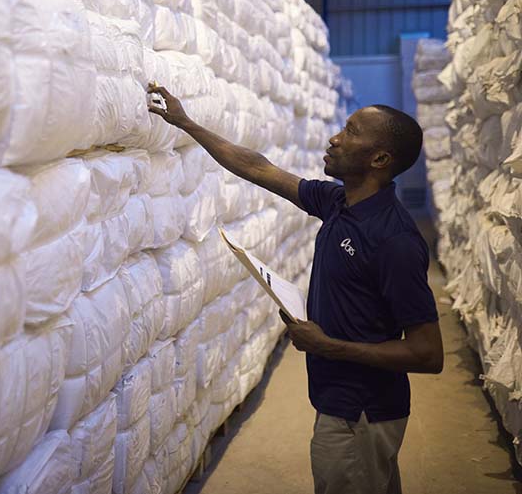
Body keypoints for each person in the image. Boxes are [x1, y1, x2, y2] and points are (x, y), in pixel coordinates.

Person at [146, 83, 443, 494]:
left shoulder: (394, 240)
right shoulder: (339, 202)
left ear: (379, 158)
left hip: (362, 410)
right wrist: (185, 123)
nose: (335, 138)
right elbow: (259, 168)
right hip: (340, 400)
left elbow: (428, 353)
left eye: (352, 132)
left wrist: (328, 346)